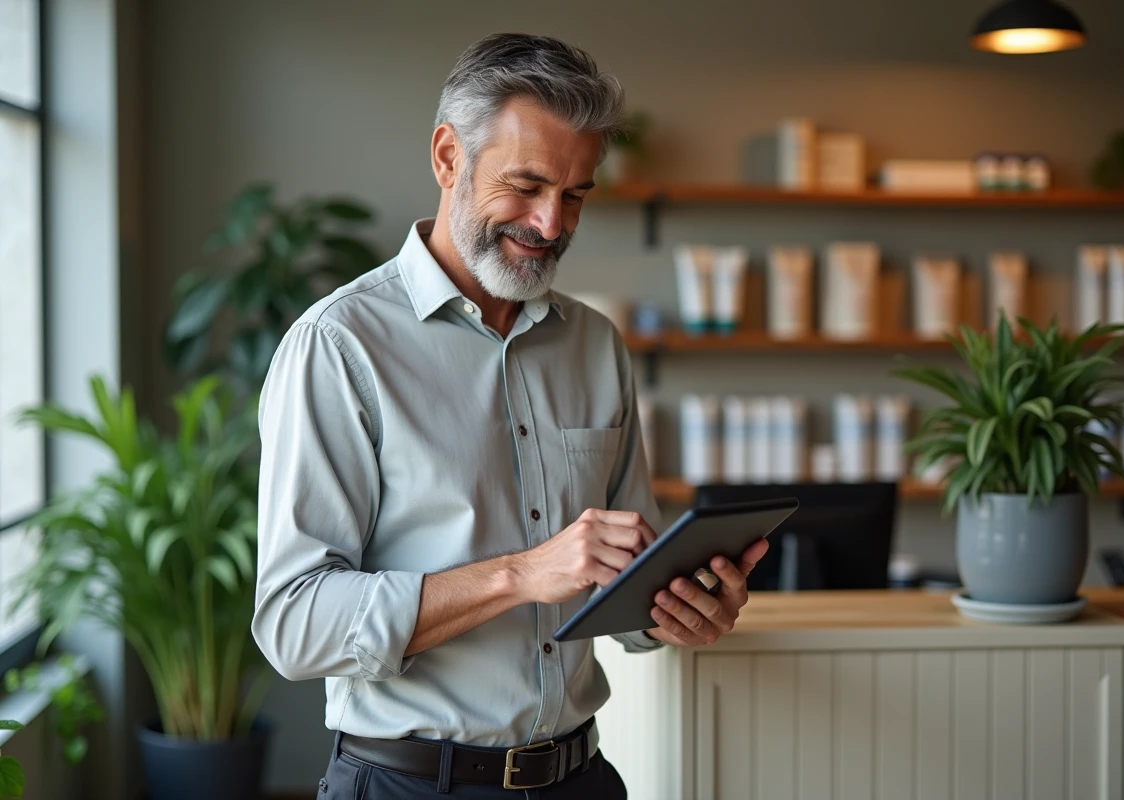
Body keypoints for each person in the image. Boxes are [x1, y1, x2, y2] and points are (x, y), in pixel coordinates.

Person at [252, 32, 768, 799]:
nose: (552, 224)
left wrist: (676, 609)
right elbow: (296, 624)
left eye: (576, 194)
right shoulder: (339, 347)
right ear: (448, 157)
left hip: (581, 778)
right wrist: (521, 574)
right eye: (525, 186)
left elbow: (622, 587)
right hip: (409, 785)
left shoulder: (596, 346)